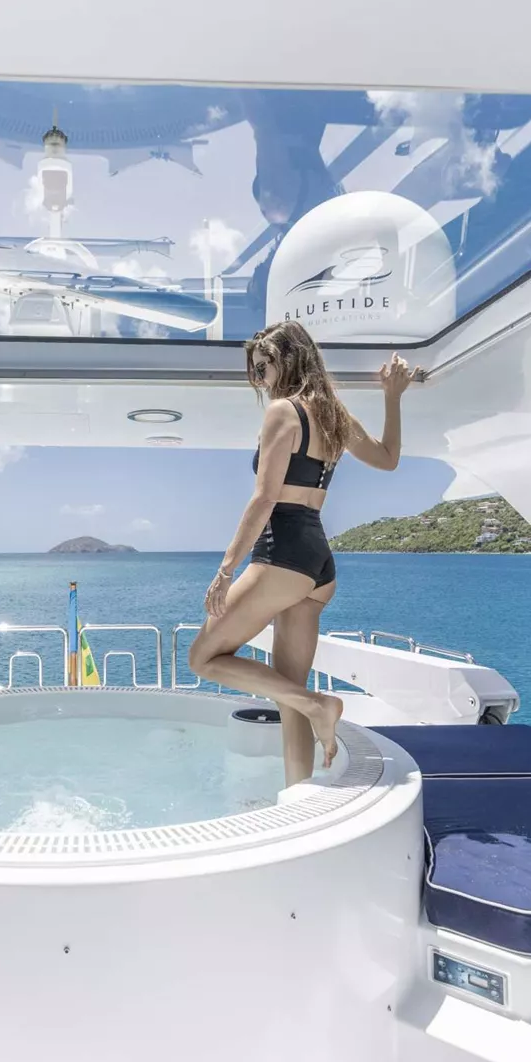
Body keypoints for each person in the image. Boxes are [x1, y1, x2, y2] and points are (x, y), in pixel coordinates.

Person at [188, 320, 423, 786]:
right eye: (254, 371)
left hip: (283, 552)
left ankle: (322, 705)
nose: (259, 379)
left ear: (289, 359)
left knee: (203, 659)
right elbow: (388, 458)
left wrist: (225, 570)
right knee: (289, 692)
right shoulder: (333, 414)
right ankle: (299, 793)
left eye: (264, 367)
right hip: (318, 563)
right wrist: (392, 397)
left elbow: (264, 499)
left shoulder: (283, 411)